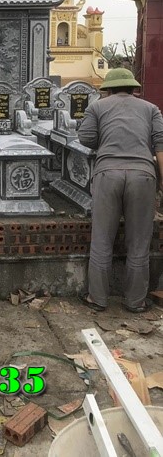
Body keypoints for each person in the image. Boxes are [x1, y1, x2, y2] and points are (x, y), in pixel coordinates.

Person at [77, 68, 163, 313]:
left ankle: (97, 298)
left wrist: (106, 139)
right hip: (143, 175)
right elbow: (160, 144)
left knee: (102, 239)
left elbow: (86, 138)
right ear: (133, 88)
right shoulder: (151, 109)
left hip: (108, 174)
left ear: (108, 89)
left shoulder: (97, 107)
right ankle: (135, 301)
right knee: (139, 241)